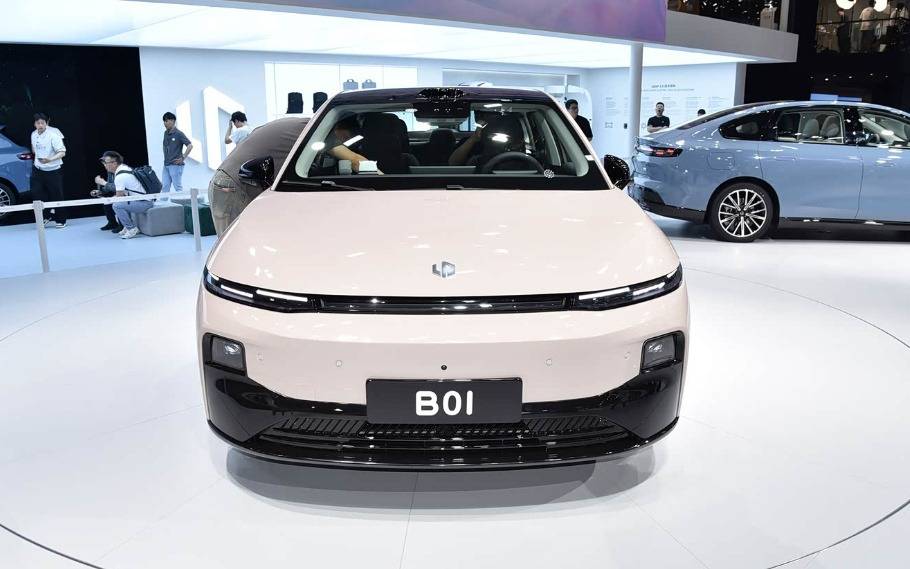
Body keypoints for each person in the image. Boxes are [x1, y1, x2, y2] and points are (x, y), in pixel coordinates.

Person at [208, 117, 309, 236]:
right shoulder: (312, 130)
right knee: (236, 243)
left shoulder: (300, 124)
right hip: (233, 184)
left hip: (232, 179)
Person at [92, 151, 149, 239]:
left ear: (114, 163)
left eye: (106, 162)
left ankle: (131, 228)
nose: (104, 165)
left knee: (117, 205)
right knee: (120, 202)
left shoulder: (120, 176)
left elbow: (119, 197)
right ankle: (126, 226)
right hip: (139, 200)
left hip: (144, 203)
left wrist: (103, 183)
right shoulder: (123, 168)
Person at [30, 113, 68, 228]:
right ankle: (45, 217)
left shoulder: (53, 135)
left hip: (53, 169)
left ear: (46, 123)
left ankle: (61, 220)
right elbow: (34, 149)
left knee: (56, 194)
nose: (40, 125)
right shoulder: (33, 134)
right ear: (35, 124)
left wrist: (49, 159)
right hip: (38, 169)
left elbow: (62, 152)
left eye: (42, 123)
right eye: (38, 123)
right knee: (37, 193)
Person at [161, 112, 193, 194]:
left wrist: (183, 158)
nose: (165, 123)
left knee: (177, 187)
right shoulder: (165, 133)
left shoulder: (179, 134)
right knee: (165, 186)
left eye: (166, 121)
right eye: (164, 121)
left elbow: (190, 146)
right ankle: (164, 202)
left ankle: (183, 201)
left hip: (175, 165)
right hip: (166, 165)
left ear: (173, 121)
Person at [93, 168, 123, 234]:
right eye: (104, 164)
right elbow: (110, 186)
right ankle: (112, 223)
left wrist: (103, 182)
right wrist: (100, 191)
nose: (105, 166)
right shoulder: (110, 172)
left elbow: (117, 188)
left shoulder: (120, 172)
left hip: (125, 194)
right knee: (106, 201)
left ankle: (122, 225)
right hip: (117, 193)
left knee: (117, 202)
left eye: (106, 163)